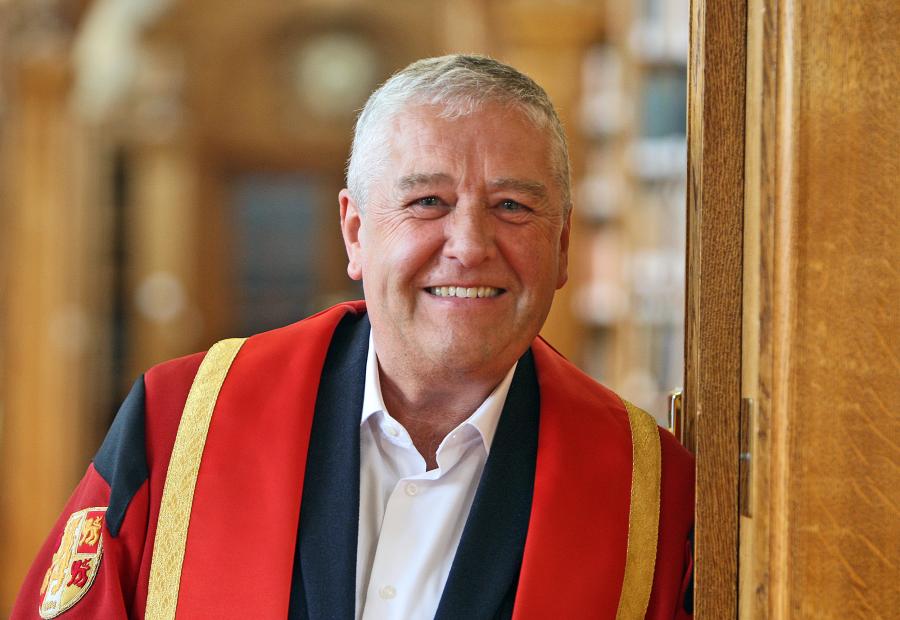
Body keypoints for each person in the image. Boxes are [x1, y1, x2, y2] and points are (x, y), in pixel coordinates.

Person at [13, 54, 693, 619]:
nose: (469, 244)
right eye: (428, 202)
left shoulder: (653, 497)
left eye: (512, 206)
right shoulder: (178, 422)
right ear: (356, 232)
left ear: (565, 243)